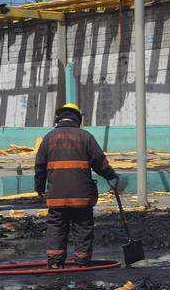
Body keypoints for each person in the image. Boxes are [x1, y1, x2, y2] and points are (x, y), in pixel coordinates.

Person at [34, 103, 117, 270]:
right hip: (81, 196)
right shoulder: (86, 137)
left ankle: (56, 262)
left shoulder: (49, 138)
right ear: (78, 118)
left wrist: (39, 187)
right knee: (83, 227)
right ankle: (82, 263)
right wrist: (111, 176)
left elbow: (40, 166)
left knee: (56, 227)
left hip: (56, 195)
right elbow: (99, 162)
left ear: (58, 118)